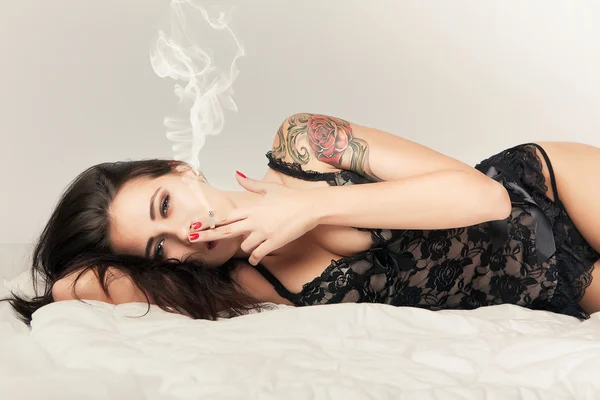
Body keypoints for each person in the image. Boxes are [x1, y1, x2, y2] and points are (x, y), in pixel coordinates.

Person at [4, 113, 600, 324]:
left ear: (181, 170)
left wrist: (312, 205)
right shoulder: (243, 284)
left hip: (548, 192)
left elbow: (486, 199)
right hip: (551, 286)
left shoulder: (304, 145)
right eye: (160, 247)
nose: (185, 234)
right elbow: (73, 286)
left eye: (165, 204)